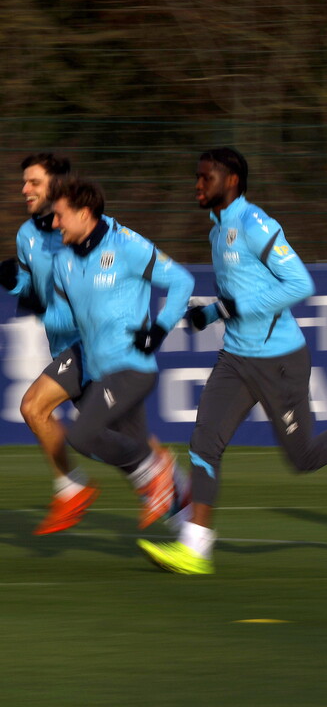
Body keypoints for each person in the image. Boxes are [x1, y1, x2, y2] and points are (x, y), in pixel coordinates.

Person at [138, 147, 327, 575]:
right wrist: (211, 313)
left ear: (231, 181)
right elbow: (240, 296)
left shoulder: (255, 224)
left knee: (303, 457)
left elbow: (299, 283)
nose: (197, 184)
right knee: (204, 442)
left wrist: (230, 308)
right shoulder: (217, 230)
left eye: (206, 177)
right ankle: (195, 548)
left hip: (279, 362)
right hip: (236, 358)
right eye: (197, 177)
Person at [44, 177, 194, 531]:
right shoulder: (63, 260)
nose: (53, 223)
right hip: (98, 372)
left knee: (83, 437)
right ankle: (190, 531)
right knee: (134, 458)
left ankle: (158, 472)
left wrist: (159, 329)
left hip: (130, 369)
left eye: (60, 216)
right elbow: (66, 320)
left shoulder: (126, 245)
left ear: (84, 214)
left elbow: (182, 281)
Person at [0, 154, 98, 534]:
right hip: (64, 345)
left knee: (33, 407)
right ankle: (179, 496)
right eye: (24, 182)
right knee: (116, 439)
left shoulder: (84, 226)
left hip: (92, 343)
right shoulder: (26, 234)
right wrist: (13, 281)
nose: (24, 190)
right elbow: (35, 292)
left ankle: (71, 489)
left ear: (57, 185)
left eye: (34, 183)